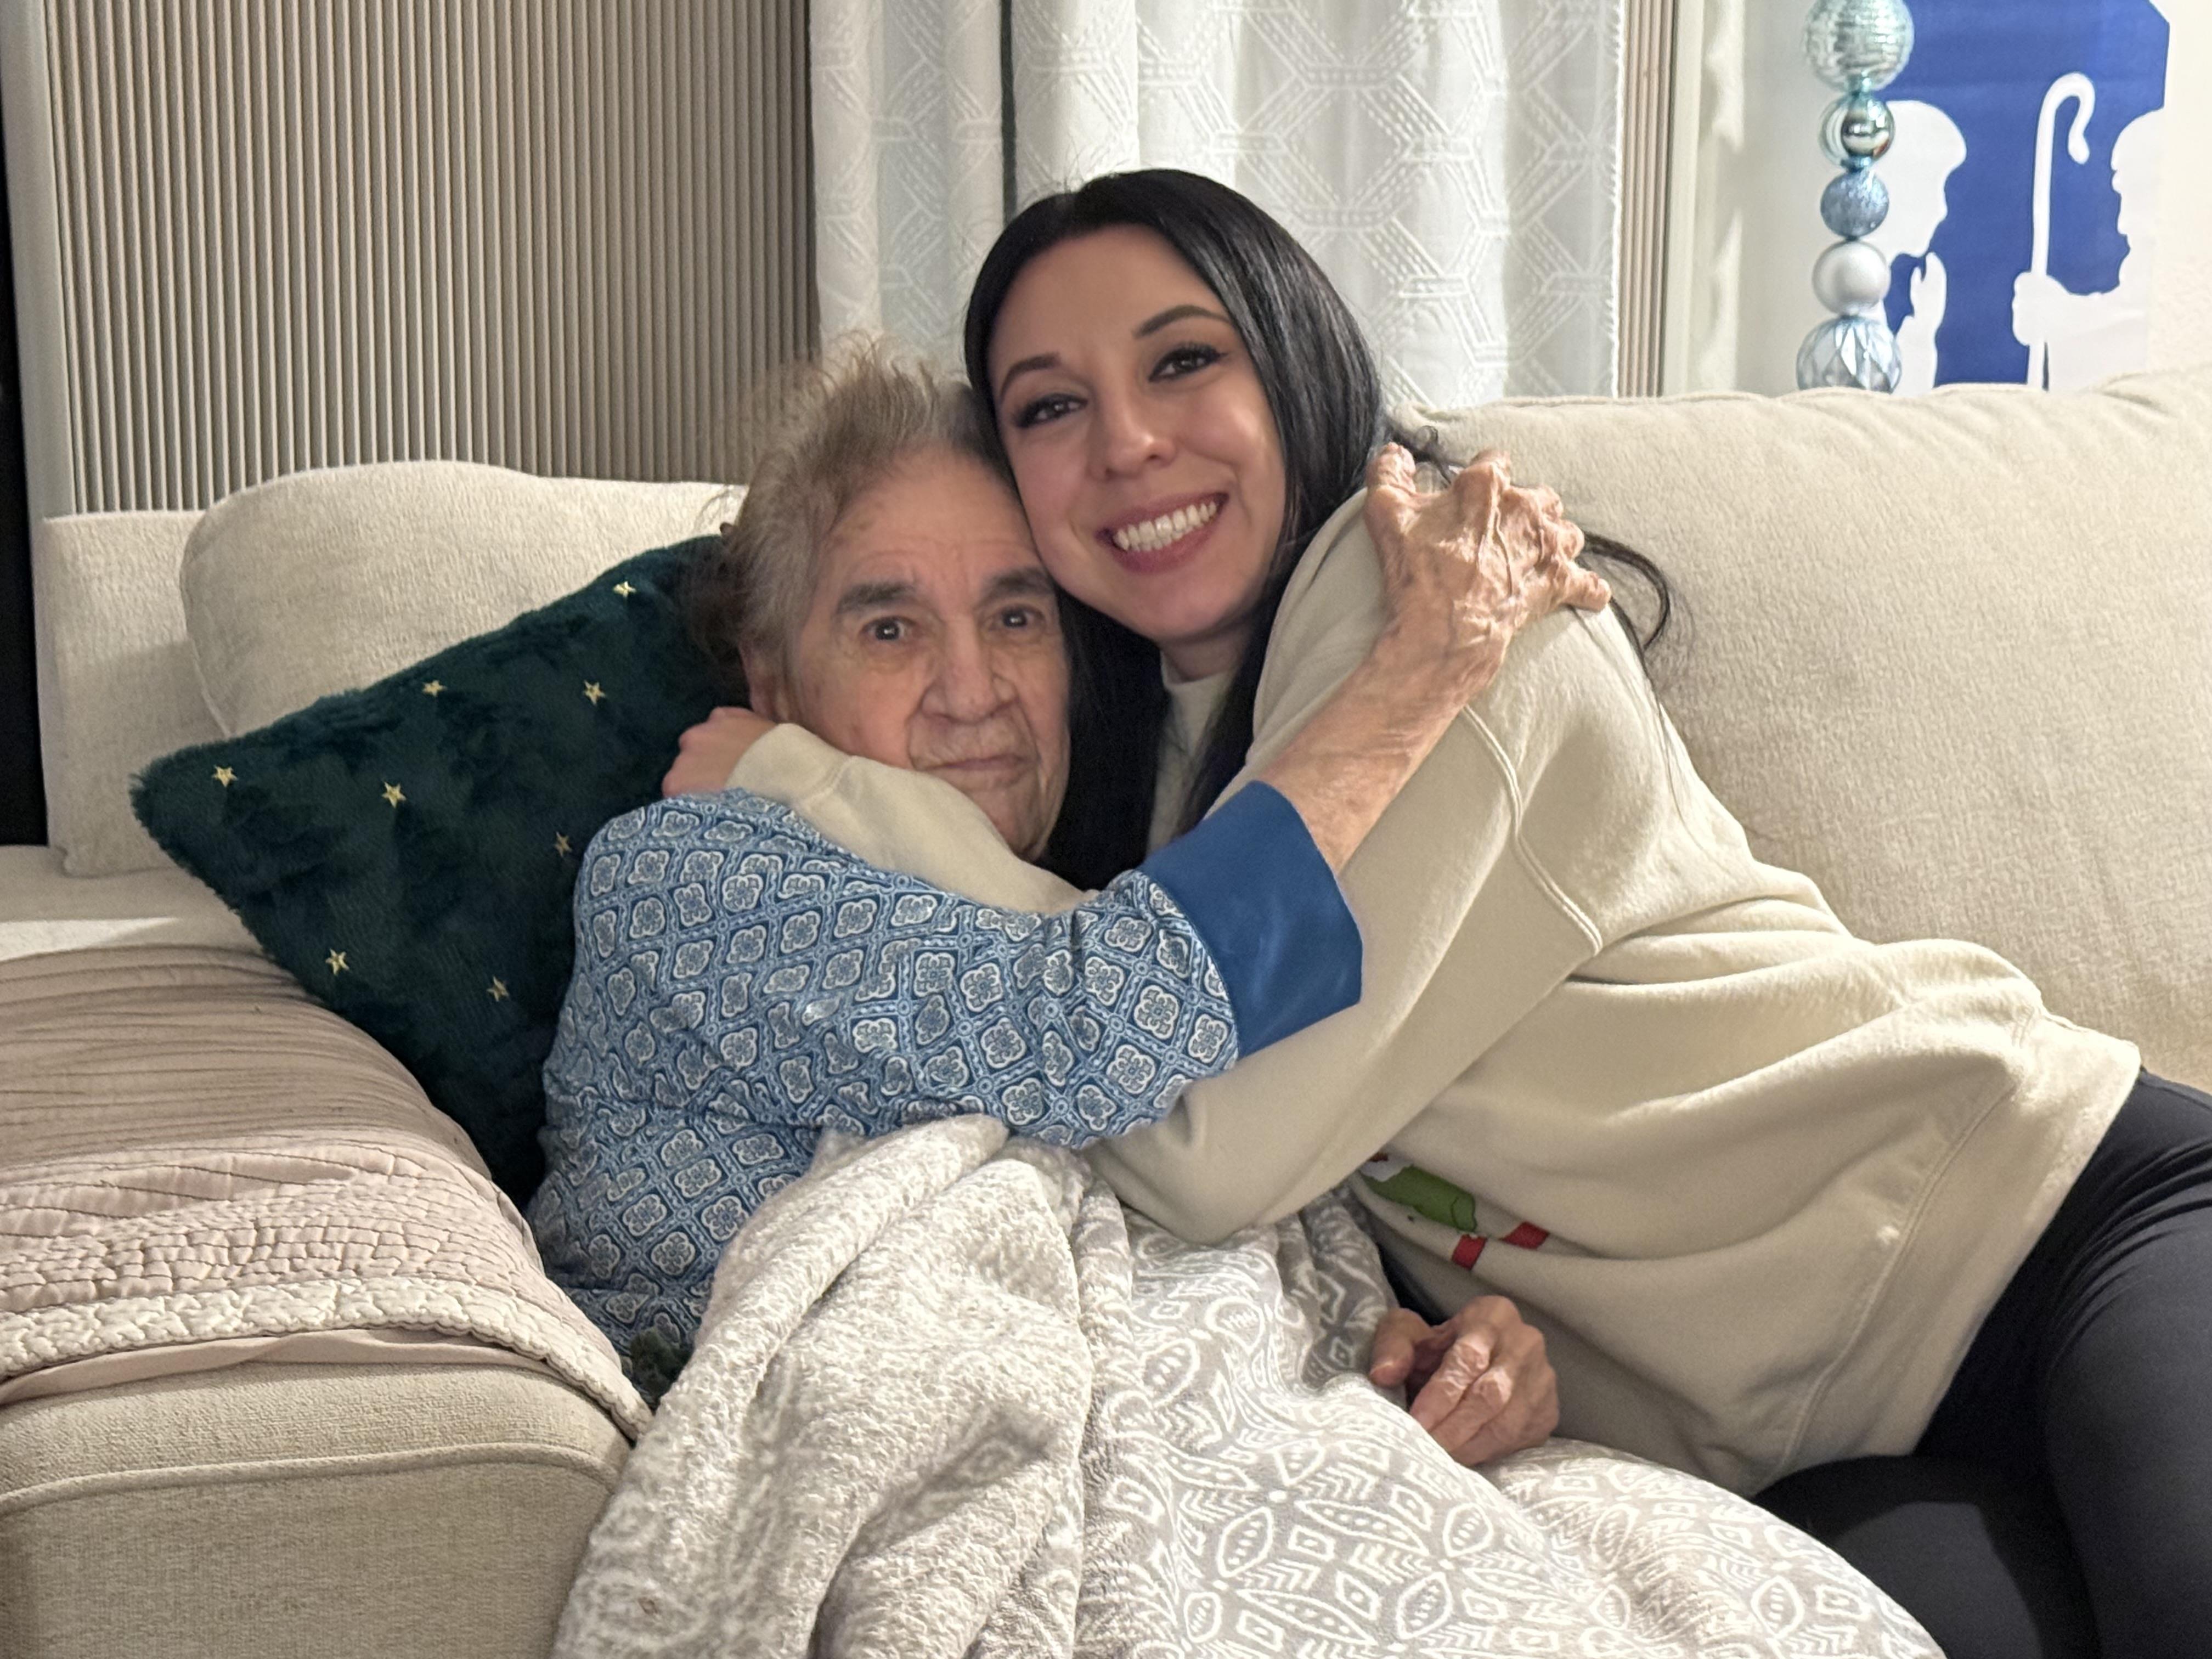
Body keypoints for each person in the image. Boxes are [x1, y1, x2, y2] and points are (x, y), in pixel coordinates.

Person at [692, 171, 2212, 1657]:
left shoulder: (1430, 609)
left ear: (1290, 359)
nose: (1130, 444)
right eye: (1049, 407)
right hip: (1816, 1446)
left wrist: (825, 790)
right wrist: (1455, 1332)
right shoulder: (1128, 757)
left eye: (1182, 361)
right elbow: (1242, 1143)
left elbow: (1199, 1145)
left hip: (2049, 1224)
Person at [527, 343, 1599, 1408]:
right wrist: (1418, 673)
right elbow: (1091, 1023)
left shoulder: (1090, 892)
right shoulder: (682, 881)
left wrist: (1421, 1358)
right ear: (772, 678)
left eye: (1015, 617)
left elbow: (1192, 1204)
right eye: (890, 627)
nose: (971, 689)